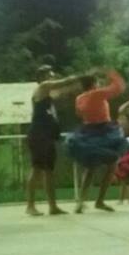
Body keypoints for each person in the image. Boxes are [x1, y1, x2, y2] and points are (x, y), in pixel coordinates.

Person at [66, 69, 129, 213]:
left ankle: (81, 202)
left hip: (87, 132)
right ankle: (99, 201)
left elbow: (79, 114)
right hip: (104, 131)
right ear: (94, 84)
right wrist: (110, 72)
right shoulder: (97, 94)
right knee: (112, 163)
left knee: (90, 167)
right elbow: (119, 87)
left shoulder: (79, 98)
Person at [25, 66, 84, 216]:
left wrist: (79, 85)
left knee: (49, 171)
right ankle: (30, 206)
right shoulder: (42, 87)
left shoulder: (49, 94)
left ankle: (53, 206)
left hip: (48, 135)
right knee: (36, 169)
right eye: (50, 75)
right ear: (42, 77)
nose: (53, 77)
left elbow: (63, 90)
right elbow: (63, 83)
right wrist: (77, 76)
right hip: (38, 135)